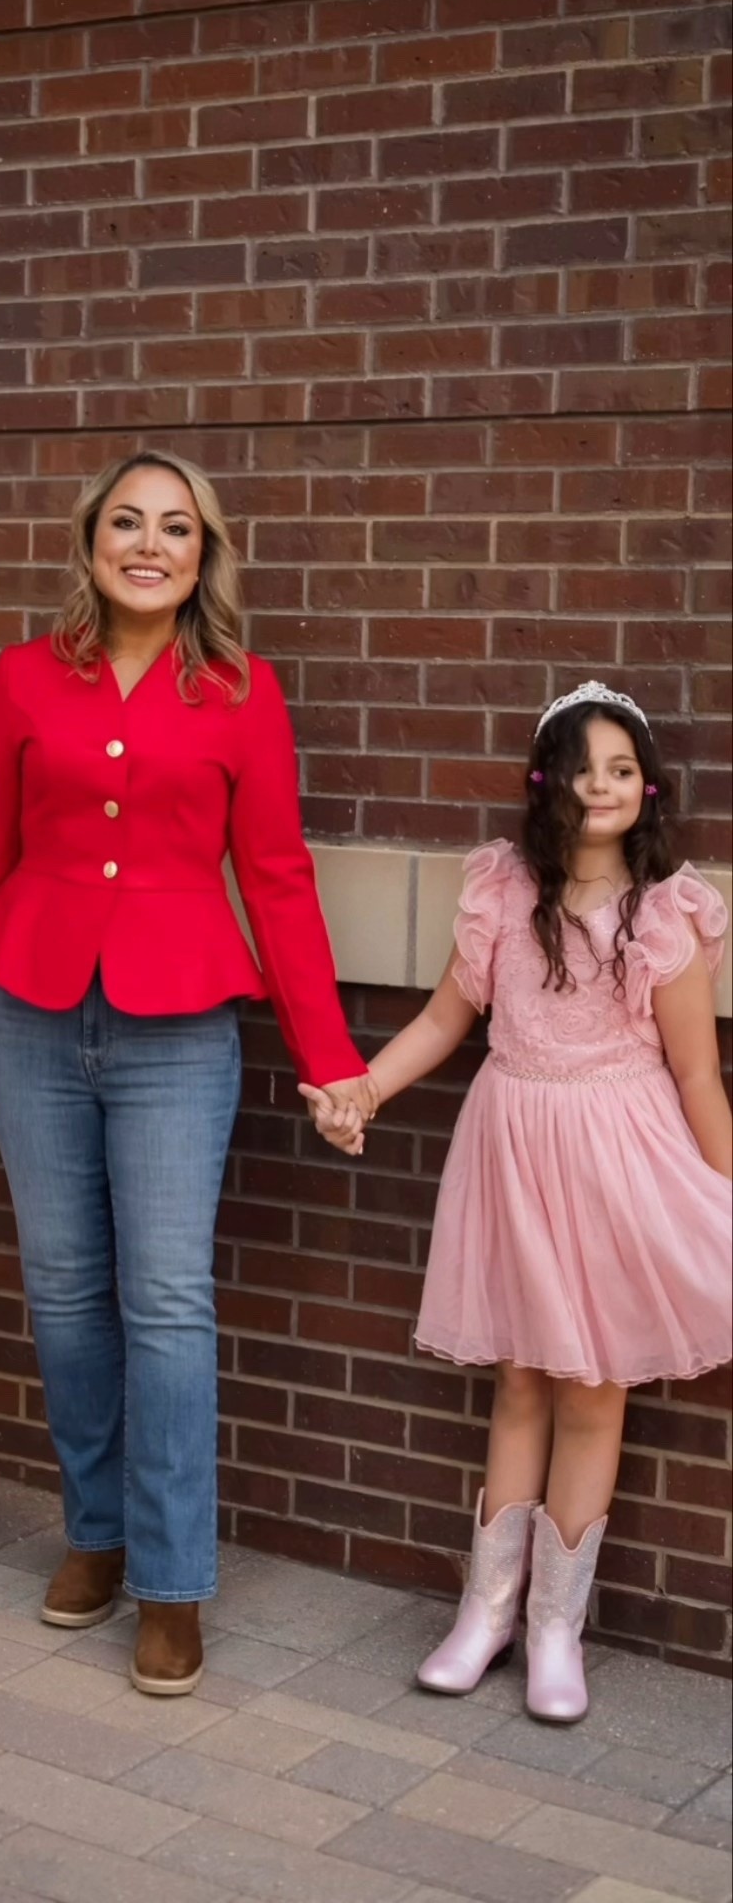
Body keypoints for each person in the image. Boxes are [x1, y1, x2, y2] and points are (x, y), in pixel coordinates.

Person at [0, 449, 376, 1696]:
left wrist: (329, 1057)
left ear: (201, 556)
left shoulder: (241, 691)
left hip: (182, 1030)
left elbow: (277, 881)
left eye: (175, 528)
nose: (149, 542)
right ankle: (98, 1534)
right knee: (66, 1293)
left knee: (166, 1300)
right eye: (127, 521)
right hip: (28, 1015)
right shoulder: (21, 680)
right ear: (90, 542)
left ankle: (173, 1584)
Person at [304, 681, 732, 1723]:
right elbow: (449, 1020)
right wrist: (367, 1084)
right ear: (547, 782)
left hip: (618, 1159)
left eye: (623, 769)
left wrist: (725, 1195)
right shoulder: (501, 891)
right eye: (584, 767)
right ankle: (485, 1612)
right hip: (513, 1149)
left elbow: (695, 1075)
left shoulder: (663, 913)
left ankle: (555, 1631)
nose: (603, 785)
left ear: (648, 787)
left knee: (594, 1389)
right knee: (521, 1384)